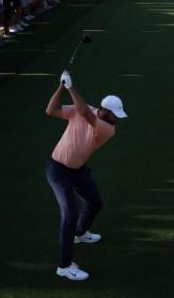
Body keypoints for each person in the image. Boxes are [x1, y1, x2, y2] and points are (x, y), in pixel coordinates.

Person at [45, 70, 127, 282]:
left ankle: (81, 234)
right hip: (58, 170)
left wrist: (71, 86)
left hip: (77, 170)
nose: (117, 119)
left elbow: (84, 112)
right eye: (115, 114)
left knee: (95, 202)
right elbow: (51, 110)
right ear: (105, 110)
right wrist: (61, 87)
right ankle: (64, 266)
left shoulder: (107, 129)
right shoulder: (85, 111)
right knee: (69, 213)